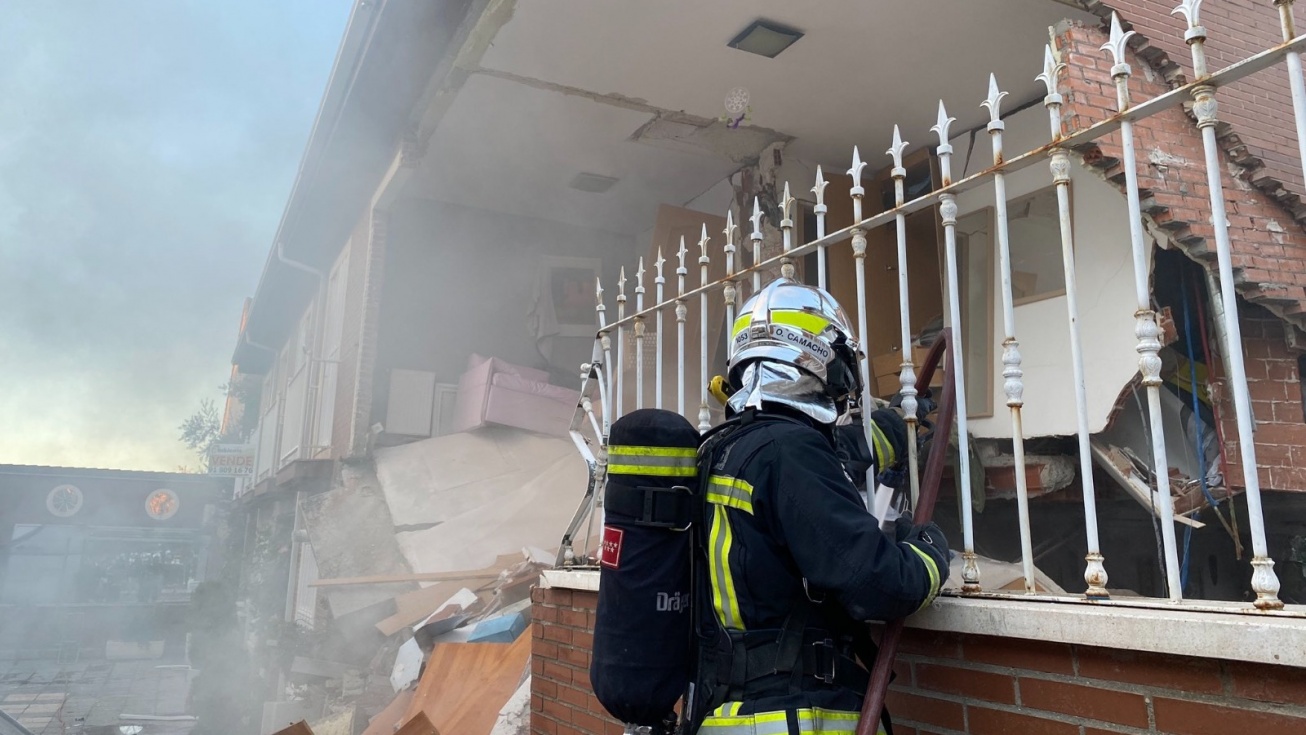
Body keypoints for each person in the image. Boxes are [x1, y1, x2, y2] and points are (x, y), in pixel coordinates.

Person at [688, 278, 950, 735]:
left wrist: (896, 425)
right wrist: (929, 552)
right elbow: (878, 583)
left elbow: (828, 464)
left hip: (728, 709)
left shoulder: (727, 449)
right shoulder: (791, 453)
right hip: (794, 713)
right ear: (815, 359)